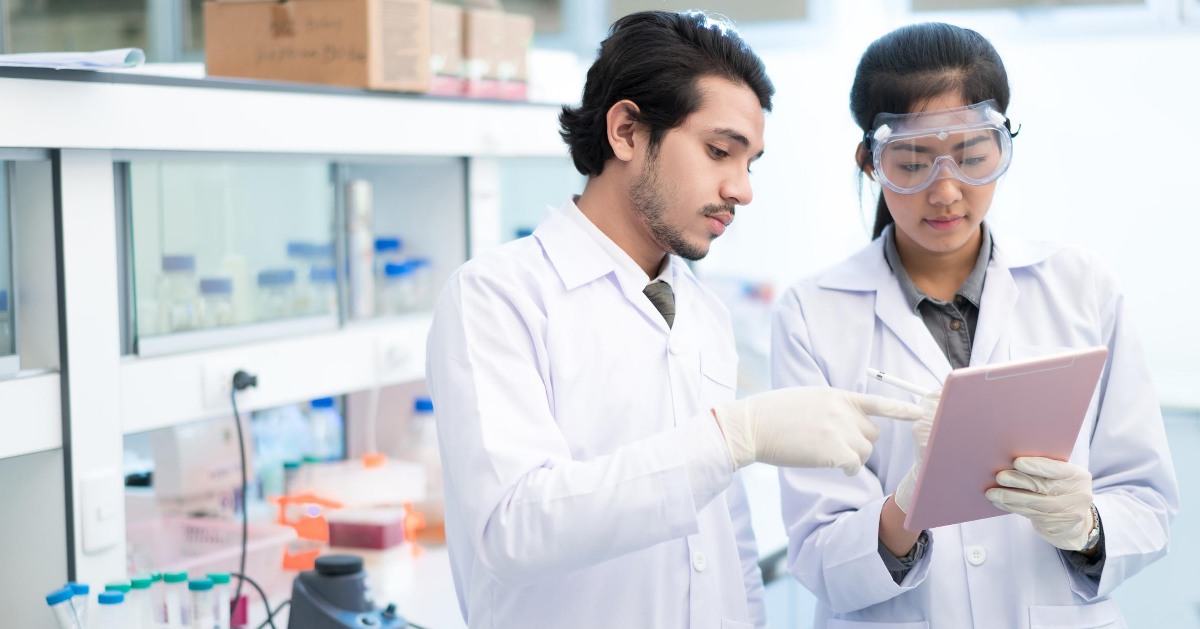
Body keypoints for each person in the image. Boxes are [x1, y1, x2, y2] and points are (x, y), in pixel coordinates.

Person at [425, 11, 923, 629]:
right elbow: (515, 527)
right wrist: (731, 437)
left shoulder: (702, 312)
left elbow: (726, 541)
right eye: (720, 151)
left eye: (751, 163)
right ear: (628, 131)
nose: (742, 189)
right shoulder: (496, 298)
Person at [771, 22, 1179, 628]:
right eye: (911, 162)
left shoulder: (1080, 285)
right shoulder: (812, 312)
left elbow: (1147, 500)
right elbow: (819, 554)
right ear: (871, 162)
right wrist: (907, 506)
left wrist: (1086, 524)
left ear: (1003, 146)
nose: (946, 192)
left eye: (971, 157)